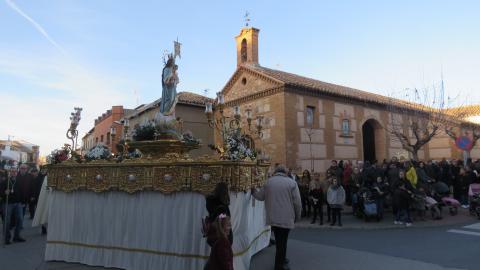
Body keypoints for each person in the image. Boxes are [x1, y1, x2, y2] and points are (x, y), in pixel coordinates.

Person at [252, 165, 302, 270]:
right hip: (286, 217)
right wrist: (297, 216)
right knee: (282, 242)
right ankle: (279, 265)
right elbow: (297, 202)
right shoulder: (291, 183)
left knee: (280, 241)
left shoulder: (268, 182)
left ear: (276, 172)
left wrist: (252, 191)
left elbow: (260, 197)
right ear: (285, 172)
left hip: (273, 217)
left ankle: (282, 259)